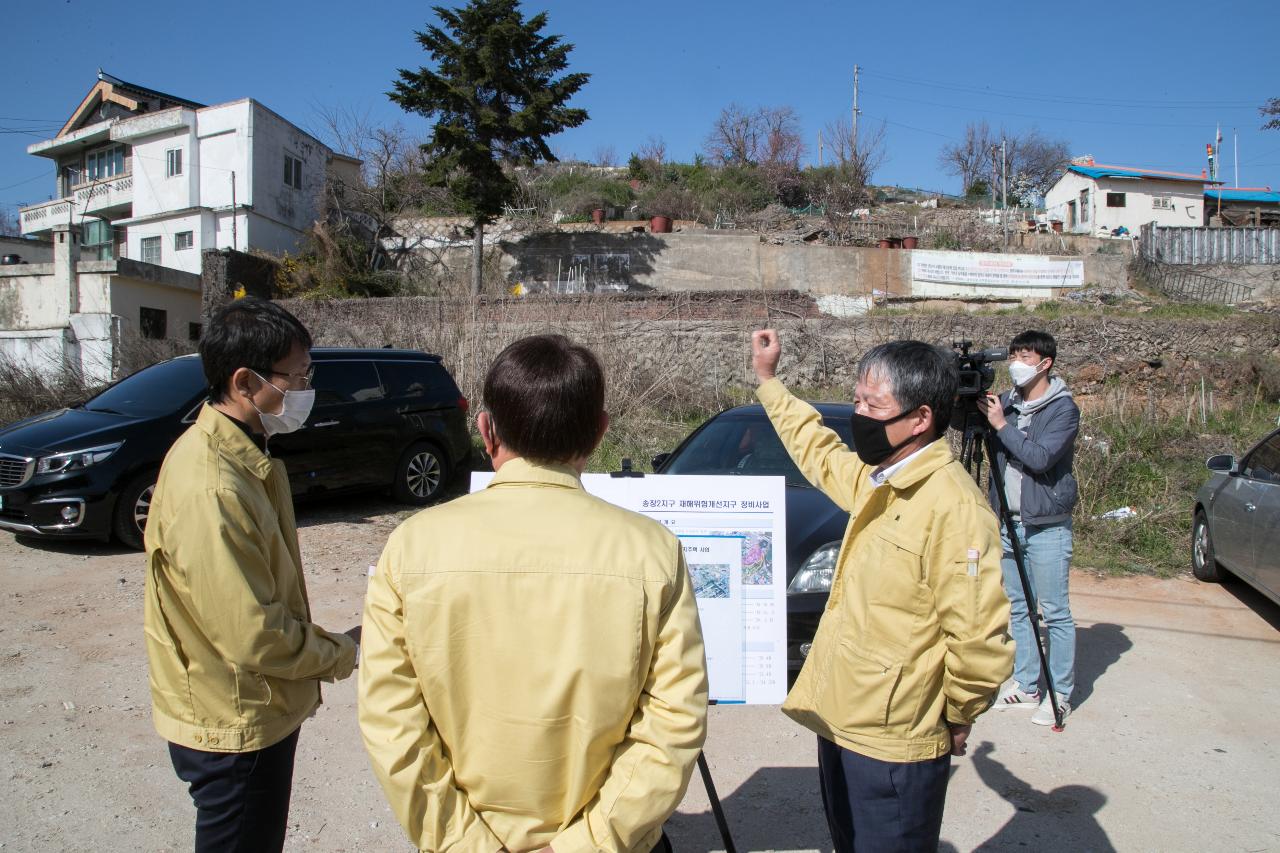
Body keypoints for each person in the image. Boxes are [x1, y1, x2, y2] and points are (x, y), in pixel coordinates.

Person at [358, 334, 708, 853]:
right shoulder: (652, 550)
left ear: (485, 429)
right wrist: (589, 842)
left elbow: (392, 723)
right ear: (598, 433)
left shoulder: (412, 545)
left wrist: (462, 841)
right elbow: (675, 720)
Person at [751, 329, 1012, 853]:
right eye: (857, 400)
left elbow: (980, 637)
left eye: (874, 405)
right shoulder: (879, 480)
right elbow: (818, 450)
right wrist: (768, 381)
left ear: (920, 418)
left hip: (896, 742)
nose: (860, 414)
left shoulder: (954, 508)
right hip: (841, 720)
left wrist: (959, 714)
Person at [143, 297, 360, 853]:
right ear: (244, 382)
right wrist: (342, 652)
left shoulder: (242, 454)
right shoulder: (213, 484)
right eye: (297, 376)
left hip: (245, 702)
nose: (305, 389)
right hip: (234, 718)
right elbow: (252, 634)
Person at [978, 329, 1080, 727]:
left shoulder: (1063, 409)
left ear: (1045, 363)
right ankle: (1026, 683)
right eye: (1014, 353)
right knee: (1018, 608)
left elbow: (1039, 458)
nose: (1016, 362)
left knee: (1054, 612)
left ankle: (1061, 693)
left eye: (1025, 355)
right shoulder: (1008, 402)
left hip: (1047, 524)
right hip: (1009, 521)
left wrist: (1002, 426)